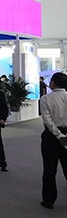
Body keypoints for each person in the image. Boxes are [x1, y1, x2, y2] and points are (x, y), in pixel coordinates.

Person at [39, 72, 67, 209]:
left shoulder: (45, 99)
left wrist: (59, 135)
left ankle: (49, 200)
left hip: (51, 137)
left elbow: (47, 120)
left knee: (49, 169)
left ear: (54, 83)